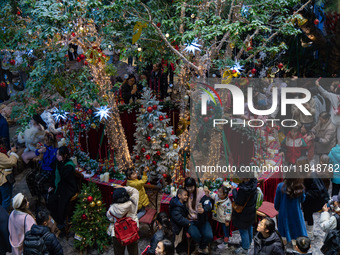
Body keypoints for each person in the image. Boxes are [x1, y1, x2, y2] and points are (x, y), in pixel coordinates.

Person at [47, 146, 77, 229]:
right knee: (51, 199)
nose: (57, 156)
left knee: (59, 201)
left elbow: (64, 178)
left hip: (67, 187)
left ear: (65, 155)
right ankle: (55, 220)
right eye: (57, 154)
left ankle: (60, 223)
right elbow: (54, 174)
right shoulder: (58, 162)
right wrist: (52, 185)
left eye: (59, 155)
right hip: (60, 186)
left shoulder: (68, 166)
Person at [300, 157, 329, 240]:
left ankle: (310, 234)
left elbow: (317, 191)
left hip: (316, 201)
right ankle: (307, 231)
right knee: (306, 213)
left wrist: (304, 194)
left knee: (308, 214)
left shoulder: (312, 175)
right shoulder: (307, 174)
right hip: (310, 199)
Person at [106, 185, 139, 255]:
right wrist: (124, 187)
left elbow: (110, 219)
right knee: (134, 252)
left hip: (118, 234)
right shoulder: (133, 202)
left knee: (118, 252)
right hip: (132, 231)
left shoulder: (111, 209)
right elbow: (135, 191)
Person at [184, 177, 213, 254]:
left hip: (201, 219)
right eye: (188, 187)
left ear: (195, 186)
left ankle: (201, 247)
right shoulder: (185, 193)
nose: (190, 189)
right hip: (190, 221)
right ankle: (202, 246)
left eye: (191, 187)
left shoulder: (200, 192)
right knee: (196, 236)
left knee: (209, 236)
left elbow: (208, 202)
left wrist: (204, 209)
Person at [274, 178, 307, 244]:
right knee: (296, 230)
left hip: (284, 214)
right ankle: (295, 246)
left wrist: (278, 209)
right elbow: (302, 200)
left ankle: (284, 248)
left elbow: (276, 204)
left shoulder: (280, 186)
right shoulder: (300, 187)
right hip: (296, 213)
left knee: (283, 234)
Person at [26, 132, 58, 200]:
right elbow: (37, 152)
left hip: (48, 170)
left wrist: (45, 152)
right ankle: (35, 195)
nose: (45, 142)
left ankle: (42, 198)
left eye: (46, 140)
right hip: (42, 167)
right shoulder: (45, 146)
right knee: (28, 177)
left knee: (38, 182)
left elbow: (50, 163)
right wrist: (39, 151)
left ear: (50, 141)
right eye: (44, 140)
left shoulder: (54, 150)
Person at [205, 182, 232, 250]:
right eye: (218, 191)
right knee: (222, 229)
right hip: (219, 217)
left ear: (225, 194)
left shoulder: (227, 202)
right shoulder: (218, 197)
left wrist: (227, 220)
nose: (217, 193)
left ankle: (225, 244)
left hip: (224, 219)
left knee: (226, 231)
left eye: (220, 192)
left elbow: (228, 211)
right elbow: (213, 195)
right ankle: (223, 239)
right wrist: (209, 192)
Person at [316, 78, 340, 144]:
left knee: (331, 137)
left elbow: (324, 92)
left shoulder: (333, 96)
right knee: (339, 138)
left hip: (333, 120)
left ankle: (332, 151)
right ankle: (338, 151)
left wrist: (318, 85)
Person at [0, 138, 18, 211]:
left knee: (6, 198)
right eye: (3, 144)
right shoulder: (0, 155)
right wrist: (13, 153)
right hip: (3, 180)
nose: (4, 146)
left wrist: (10, 152)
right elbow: (11, 162)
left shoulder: (2, 153)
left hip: (4, 180)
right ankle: (5, 217)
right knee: (6, 199)